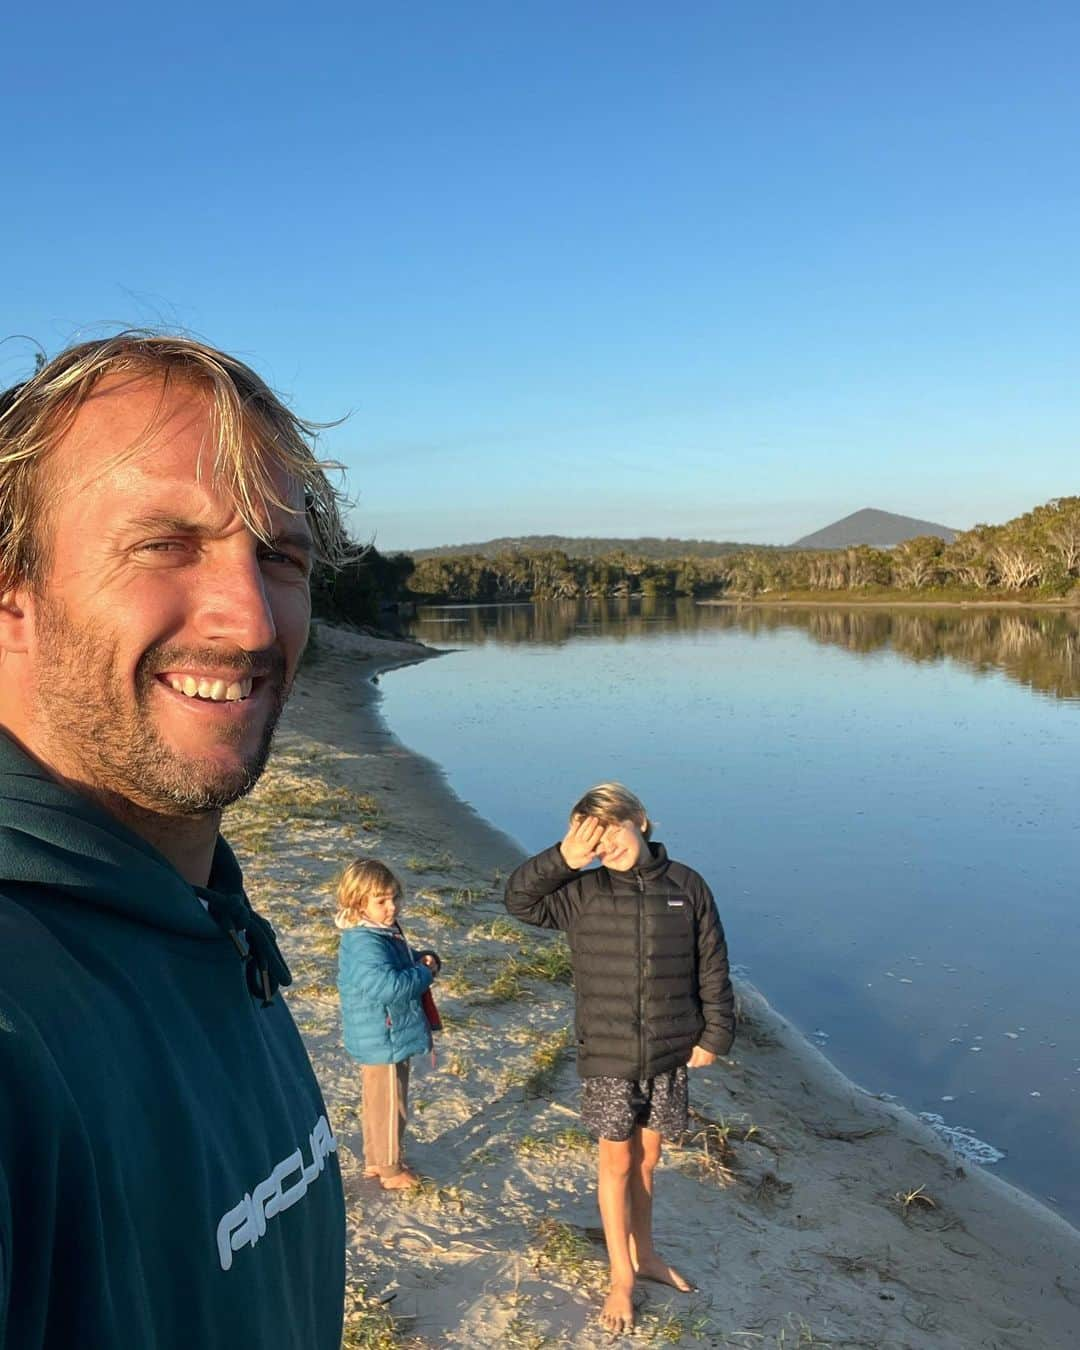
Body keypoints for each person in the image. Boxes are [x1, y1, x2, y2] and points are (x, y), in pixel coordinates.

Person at [0, 334, 348, 1348]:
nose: (250, 620)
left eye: (280, 556)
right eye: (165, 545)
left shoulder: (206, 919)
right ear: (11, 597)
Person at [504, 782, 735, 1334]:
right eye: (592, 837)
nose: (606, 845)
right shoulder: (582, 893)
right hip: (608, 1055)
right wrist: (564, 858)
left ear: (642, 821)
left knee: (649, 1161)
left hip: (669, 1050)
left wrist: (715, 1035)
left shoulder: (687, 887)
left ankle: (646, 1254)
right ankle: (620, 1277)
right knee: (616, 1164)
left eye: (612, 830)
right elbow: (519, 901)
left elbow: (713, 965)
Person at [335, 859, 442, 1190]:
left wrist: (421, 959)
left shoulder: (383, 932)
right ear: (358, 903)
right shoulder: (364, 942)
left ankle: (377, 1160)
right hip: (383, 1034)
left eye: (394, 898)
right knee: (389, 1102)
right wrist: (425, 973)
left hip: (387, 1031)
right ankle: (390, 1169)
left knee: (382, 1100)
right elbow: (390, 987)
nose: (391, 907)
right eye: (381, 901)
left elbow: (400, 965)